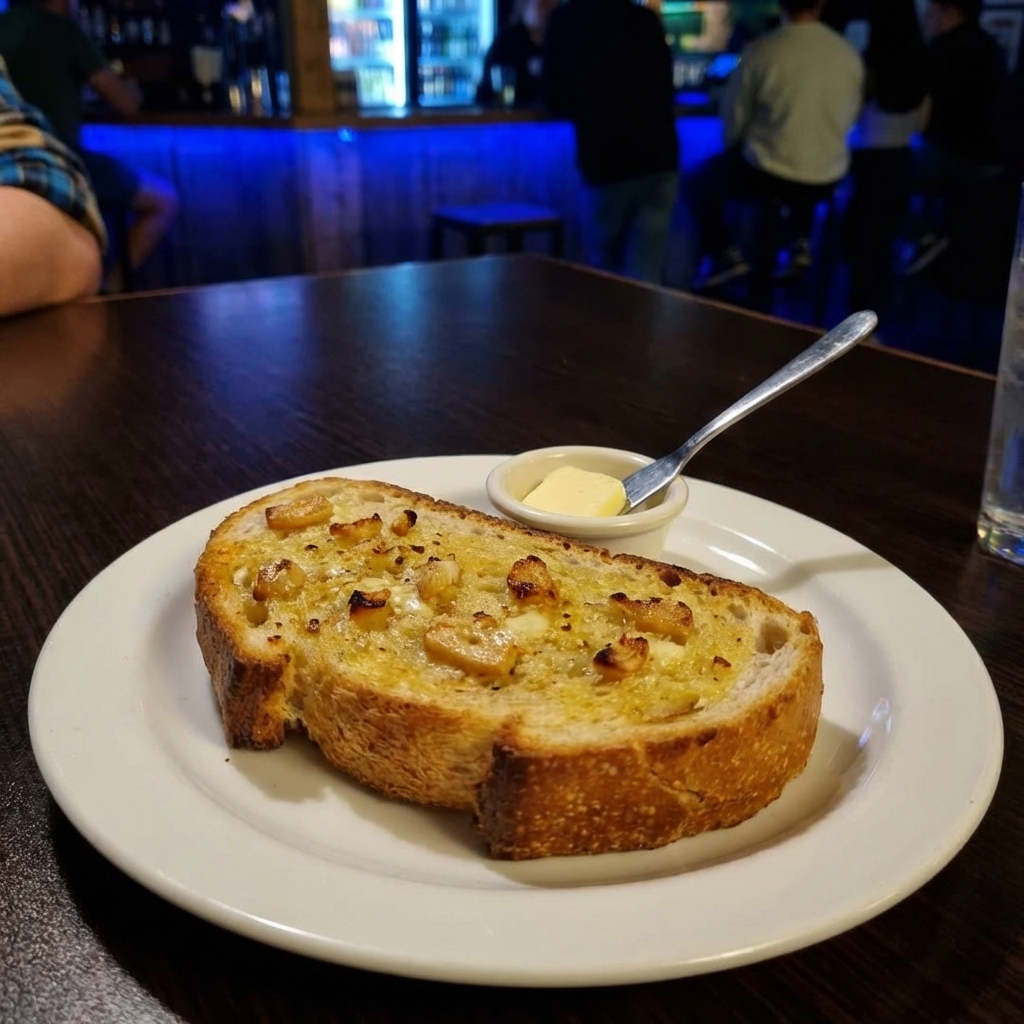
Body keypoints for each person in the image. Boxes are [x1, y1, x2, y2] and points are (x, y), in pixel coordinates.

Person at [685, 0, 863, 295]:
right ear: (820, 4)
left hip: (769, 175)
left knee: (696, 183)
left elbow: (734, 118)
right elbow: (851, 115)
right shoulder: (847, 53)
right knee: (798, 167)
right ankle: (799, 243)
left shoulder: (765, 49)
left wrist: (736, 143)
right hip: (827, 176)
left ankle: (726, 255)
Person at [0, 0, 178, 287]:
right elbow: (125, 103)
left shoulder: (5, 25)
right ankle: (110, 291)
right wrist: (132, 88)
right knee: (164, 200)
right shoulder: (64, 31)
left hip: (27, 169)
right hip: (64, 159)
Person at [542, 0, 679, 284]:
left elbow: (555, 97)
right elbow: (667, 86)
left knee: (604, 276)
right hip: (660, 156)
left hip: (607, 159)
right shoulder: (645, 19)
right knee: (646, 274)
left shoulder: (568, 19)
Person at [902, 0, 1009, 274]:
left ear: (948, 12)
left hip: (960, 156)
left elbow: (921, 111)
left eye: (931, 11)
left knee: (887, 173)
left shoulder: (944, 49)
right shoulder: (988, 45)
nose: (926, 18)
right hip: (994, 161)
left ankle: (923, 236)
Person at [0, 56, 104, 317]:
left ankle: (117, 291)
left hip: (53, 165)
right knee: (163, 200)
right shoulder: (70, 38)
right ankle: (118, 290)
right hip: (72, 156)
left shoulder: (64, 37)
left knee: (162, 200)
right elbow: (126, 102)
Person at [844, 0, 929, 311]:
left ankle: (857, 315)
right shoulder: (922, 59)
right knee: (883, 243)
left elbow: (850, 114)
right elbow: (922, 122)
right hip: (902, 158)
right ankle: (877, 311)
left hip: (868, 158)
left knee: (862, 245)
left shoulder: (868, 60)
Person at [476, 0, 557, 109]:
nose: (547, 12)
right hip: (507, 113)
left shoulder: (558, 41)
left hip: (549, 114)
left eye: (551, 6)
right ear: (525, 7)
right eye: (542, 5)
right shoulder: (508, 41)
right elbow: (495, 83)